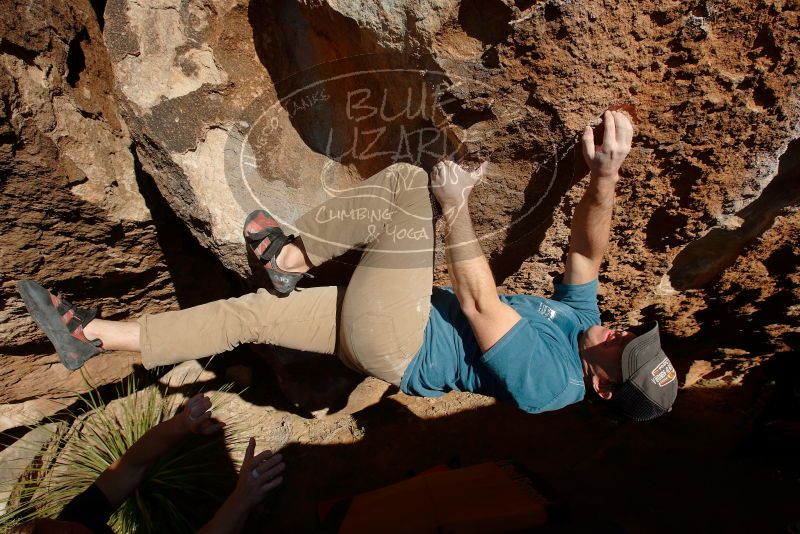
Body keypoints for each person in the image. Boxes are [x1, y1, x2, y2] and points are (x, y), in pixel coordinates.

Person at [17, 110, 677, 421]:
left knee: (409, 190)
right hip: (390, 325)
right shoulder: (582, 329)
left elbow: (479, 305)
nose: (621, 331)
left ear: (604, 388)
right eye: (633, 332)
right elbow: (586, 253)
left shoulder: (552, 382)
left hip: (400, 338)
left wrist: (453, 208)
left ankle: (293, 255)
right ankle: (94, 339)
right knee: (252, 315)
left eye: (626, 349)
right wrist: (606, 174)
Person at [10, 394, 285, 534]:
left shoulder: (72, 522)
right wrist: (241, 499)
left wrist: (181, 425)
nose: (75, 527)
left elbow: (131, 466)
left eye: (64, 525)